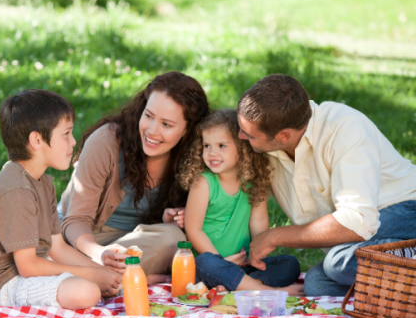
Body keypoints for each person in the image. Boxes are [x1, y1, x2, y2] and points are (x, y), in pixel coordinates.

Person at [236, 74, 416, 296]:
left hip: (406, 211)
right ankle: (401, 286)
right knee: (318, 284)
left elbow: (358, 221)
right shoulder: (269, 145)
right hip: (361, 238)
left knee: (338, 263)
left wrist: (275, 236)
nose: (240, 136)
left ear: (283, 136)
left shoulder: (345, 129)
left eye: (249, 134)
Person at [0, 89, 121, 309]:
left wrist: (100, 271)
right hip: (5, 284)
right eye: (66, 133)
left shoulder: (43, 182)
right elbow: (28, 267)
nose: (73, 141)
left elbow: (57, 248)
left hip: (35, 268)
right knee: (87, 291)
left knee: (105, 280)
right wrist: (91, 275)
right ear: (37, 140)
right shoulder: (15, 189)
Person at [59, 72, 210, 285]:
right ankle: (126, 278)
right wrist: (99, 253)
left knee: (173, 239)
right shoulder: (106, 142)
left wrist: (175, 219)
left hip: (135, 244)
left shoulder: (195, 159)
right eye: (148, 116)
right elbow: (75, 220)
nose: (152, 131)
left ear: (188, 130)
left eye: (166, 124)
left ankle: (99, 278)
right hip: (84, 239)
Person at [178, 109, 302, 295]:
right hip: (209, 268)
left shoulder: (254, 182)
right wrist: (221, 261)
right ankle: (265, 290)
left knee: (290, 265)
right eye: (206, 146)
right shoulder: (203, 183)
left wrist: (256, 256)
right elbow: (193, 230)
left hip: (242, 265)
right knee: (206, 262)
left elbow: (259, 223)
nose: (212, 153)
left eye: (221, 146)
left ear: (242, 148)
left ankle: (242, 285)